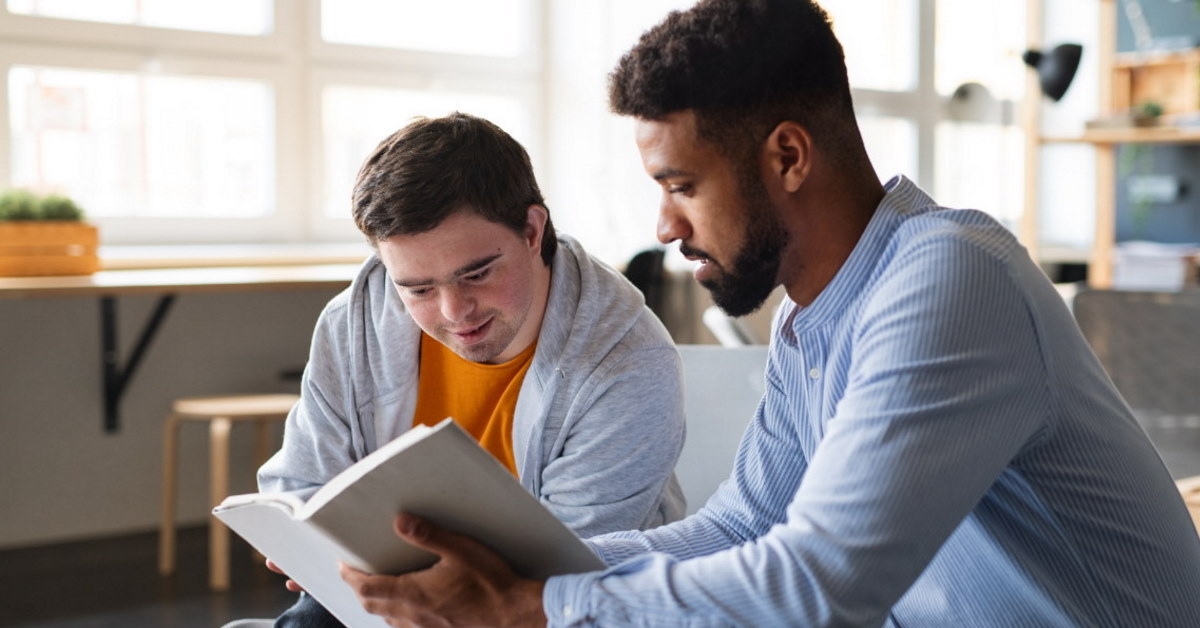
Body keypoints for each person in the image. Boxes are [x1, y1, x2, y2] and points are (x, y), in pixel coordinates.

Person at [335, 1, 1200, 626]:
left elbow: (821, 584)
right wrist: (509, 570)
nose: (665, 226)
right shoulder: (810, 320)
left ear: (788, 154)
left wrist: (538, 605)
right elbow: (745, 525)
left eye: (682, 185)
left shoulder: (949, 277)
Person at [257, 112, 687, 625]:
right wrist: (308, 546)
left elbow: (568, 573)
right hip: (383, 593)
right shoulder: (353, 323)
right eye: (417, 288)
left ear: (532, 230)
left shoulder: (628, 360)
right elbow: (303, 483)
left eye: (477, 274)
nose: (454, 312)